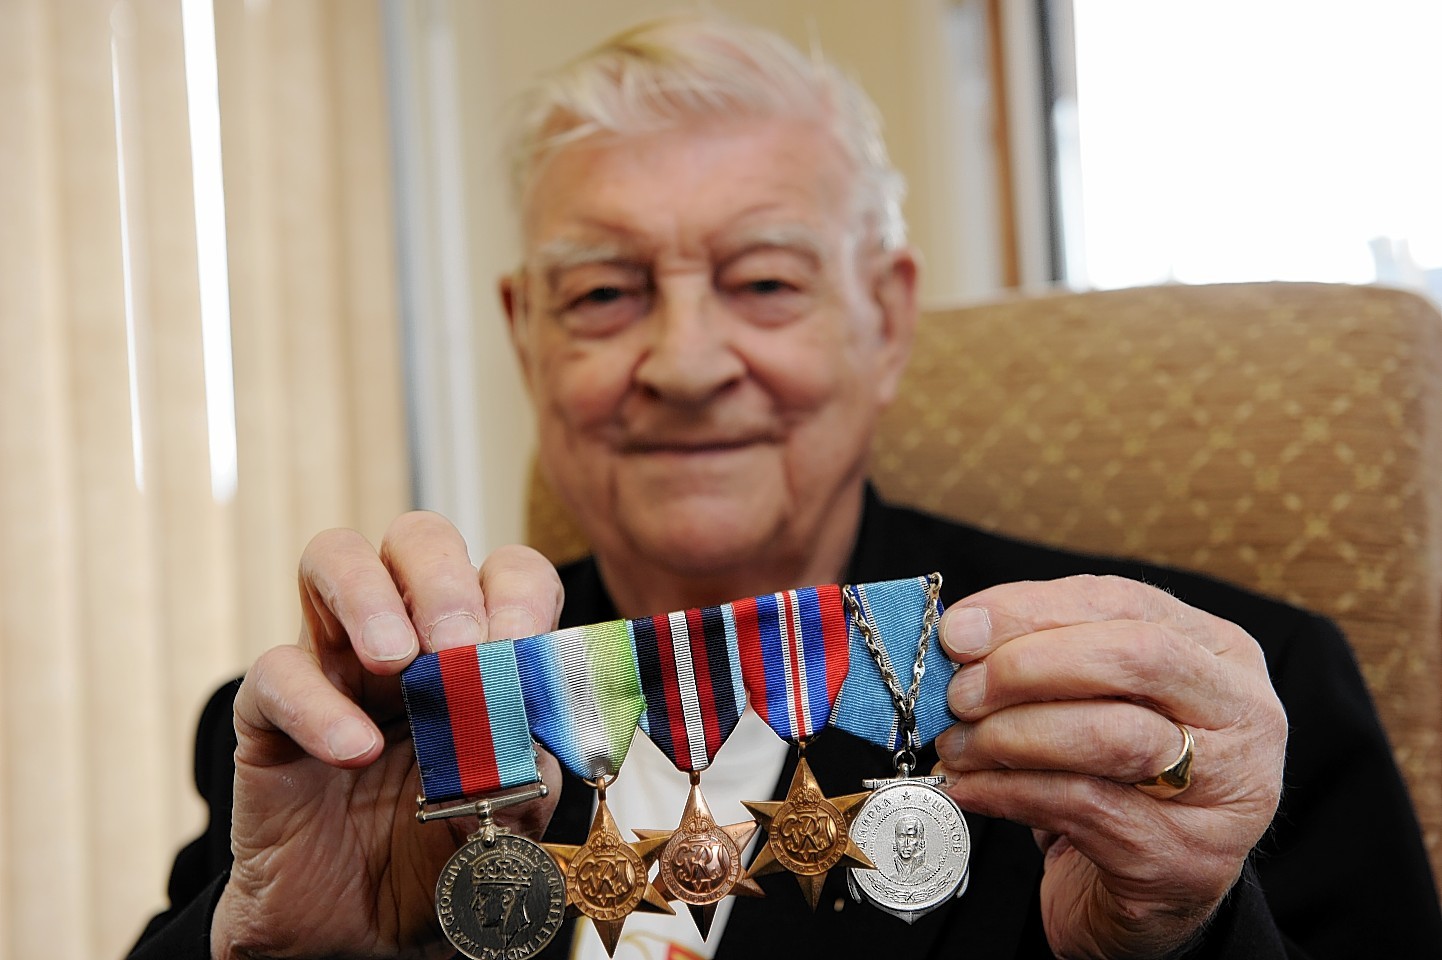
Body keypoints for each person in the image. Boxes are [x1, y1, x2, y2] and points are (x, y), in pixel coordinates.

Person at [129, 14, 1442, 960]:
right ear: (524, 334)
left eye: (763, 281)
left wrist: (1170, 936)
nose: (686, 362)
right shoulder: (355, 744)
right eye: (602, 294)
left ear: (884, 316)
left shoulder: (1196, 718)